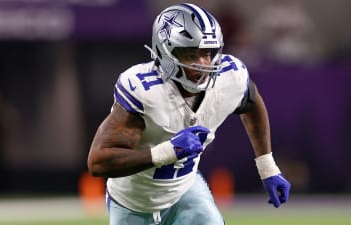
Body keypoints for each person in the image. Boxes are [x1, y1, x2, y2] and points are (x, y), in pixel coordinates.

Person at [87, 3, 291, 225]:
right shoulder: (145, 91)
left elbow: (252, 103)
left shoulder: (229, 77)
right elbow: (98, 162)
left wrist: (267, 167)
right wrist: (167, 151)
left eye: (207, 53)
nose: (203, 64)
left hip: (185, 192)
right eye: (191, 54)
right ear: (166, 52)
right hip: (132, 203)